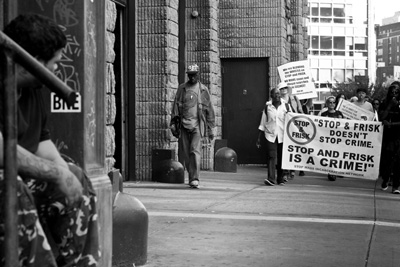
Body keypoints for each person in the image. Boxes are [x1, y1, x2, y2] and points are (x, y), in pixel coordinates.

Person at [0, 14, 99, 266]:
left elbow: (42, 143)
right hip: (8, 181)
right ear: (27, 63)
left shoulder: (33, 90)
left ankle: (78, 263)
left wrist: (65, 175)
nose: (56, 70)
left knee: (78, 180)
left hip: (22, 178)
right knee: (14, 187)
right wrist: (56, 174)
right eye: (53, 63)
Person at [170, 64, 215, 189]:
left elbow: (209, 109)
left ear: (198, 75)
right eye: (190, 75)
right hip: (184, 125)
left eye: (194, 75)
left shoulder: (203, 90)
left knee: (195, 151)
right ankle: (191, 176)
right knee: (186, 153)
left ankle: (195, 178)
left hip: (197, 125)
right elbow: (175, 107)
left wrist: (211, 128)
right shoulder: (182, 89)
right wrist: (173, 123)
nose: (192, 78)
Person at [256, 88, 292, 186]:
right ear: (271, 96)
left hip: (283, 135)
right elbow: (263, 123)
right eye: (274, 94)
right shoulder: (267, 107)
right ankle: (271, 179)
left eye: (278, 93)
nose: (277, 95)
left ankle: (280, 179)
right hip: (270, 135)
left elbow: (292, 120)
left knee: (281, 157)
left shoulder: (286, 106)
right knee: (272, 156)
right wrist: (259, 137)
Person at [277, 82, 305, 178]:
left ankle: (292, 169)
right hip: (284, 127)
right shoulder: (278, 100)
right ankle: (285, 171)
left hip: (295, 125)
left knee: (294, 147)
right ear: (279, 91)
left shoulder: (294, 98)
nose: (283, 89)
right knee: (285, 149)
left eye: (285, 88)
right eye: (281, 88)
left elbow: (300, 110)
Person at [378, 81, 400, 194]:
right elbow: (381, 117)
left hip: (398, 136)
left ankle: (396, 186)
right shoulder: (384, 102)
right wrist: (390, 105)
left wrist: (392, 124)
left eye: (396, 91)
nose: (394, 93)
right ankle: (386, 179)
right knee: (387, 161)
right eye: (392, 90)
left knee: (398, 163)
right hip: (387, 137)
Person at [319, 96, 344, 181]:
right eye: (330, 102)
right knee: (329, 155)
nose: (332, 104)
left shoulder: (339, 114)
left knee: (336, 155)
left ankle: (335, 171)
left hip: (337, 138)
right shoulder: (324, 114)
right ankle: (331, 172)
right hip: (327, 139)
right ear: (327, 104)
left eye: (334, 102)